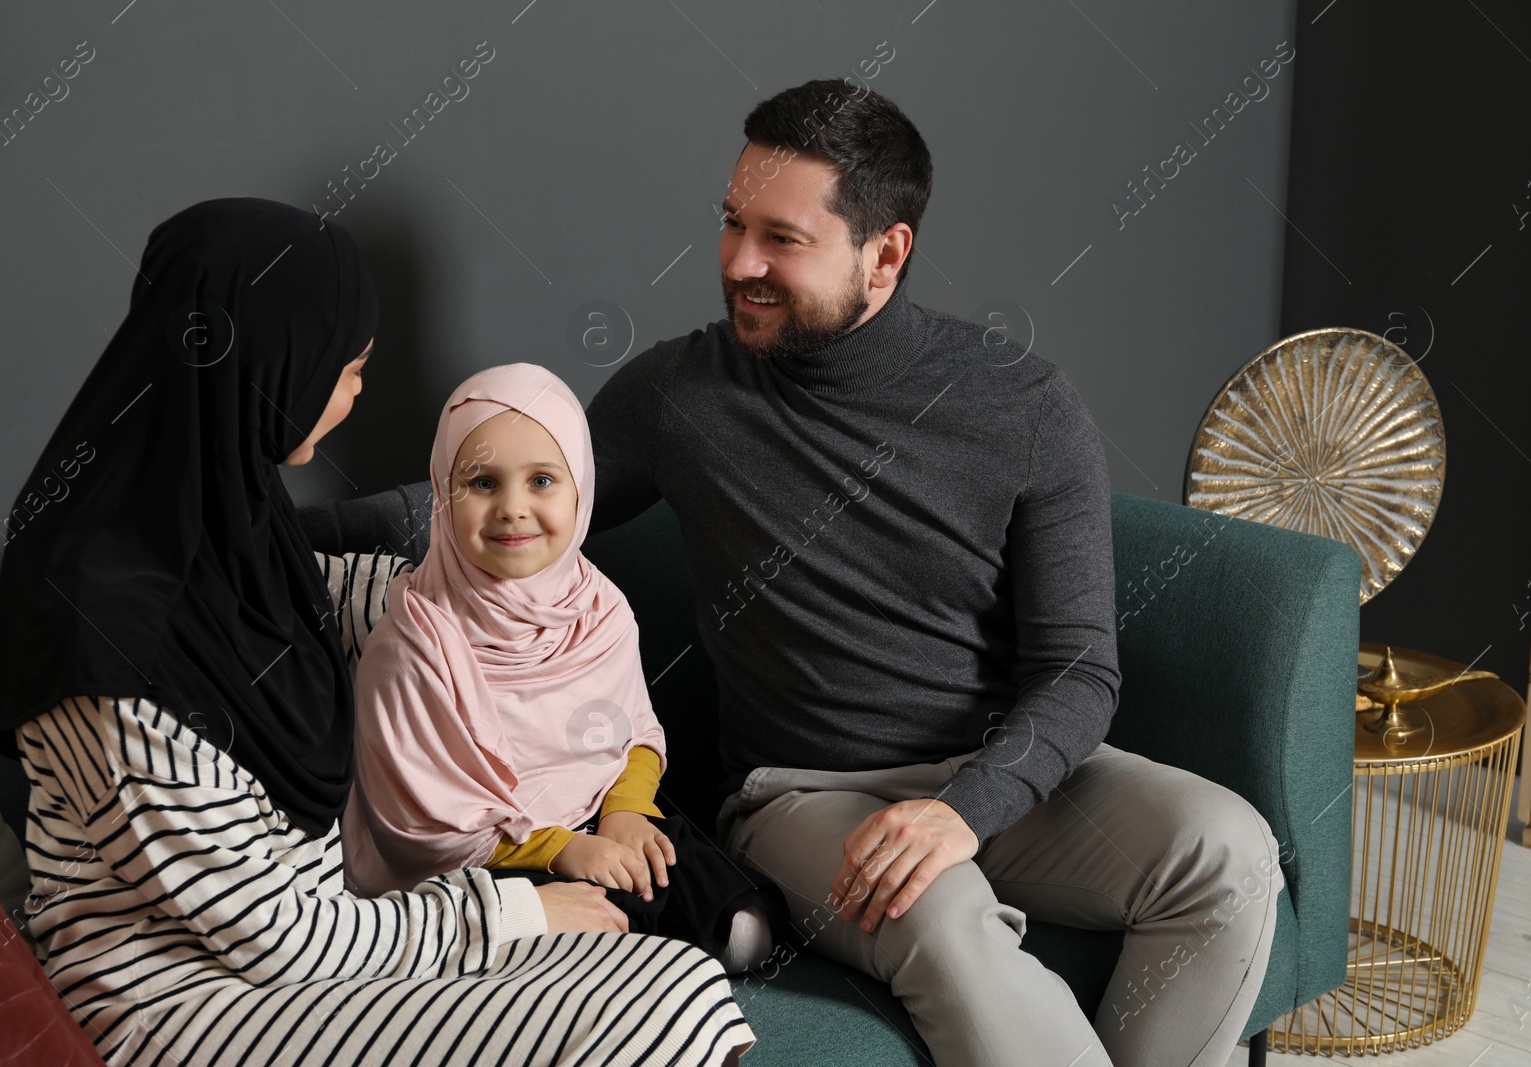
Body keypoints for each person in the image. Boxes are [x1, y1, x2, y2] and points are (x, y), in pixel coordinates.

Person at [304, 79, 1282, 1067]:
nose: (737, 263)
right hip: (803, 793)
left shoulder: (1021, 405)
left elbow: (1078, 668)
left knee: (1230, 852)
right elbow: (497, 502)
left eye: (782, 238)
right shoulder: (682, 394)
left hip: (990, 780)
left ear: (885, 253)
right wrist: (251, 525)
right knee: (936, 913)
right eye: (731, 224)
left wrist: (965, 808)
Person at [0, 198, 754, 1067]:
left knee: (666, 980)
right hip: (191, 994)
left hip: (334, 930)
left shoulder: (222, 521)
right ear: (267, 362)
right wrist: (512, 911)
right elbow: (268, 933)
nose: (357, 391)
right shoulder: (106, 641)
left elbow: (367, 595)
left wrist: (499, 594)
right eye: (345, 365)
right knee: (654, 1009)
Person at [344, 362, 784, 972]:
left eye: (543, 480)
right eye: (482, 484)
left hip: (603, 813)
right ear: (444, 493)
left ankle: (633, 933)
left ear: (582, 489)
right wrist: (560, 852)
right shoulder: (414, 645)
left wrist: (627, 814)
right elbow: (419, 822)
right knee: (568, 937)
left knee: (746, 930)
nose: (513, 509)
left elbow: (632, 731)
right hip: (489, 857)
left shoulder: (598, 608)